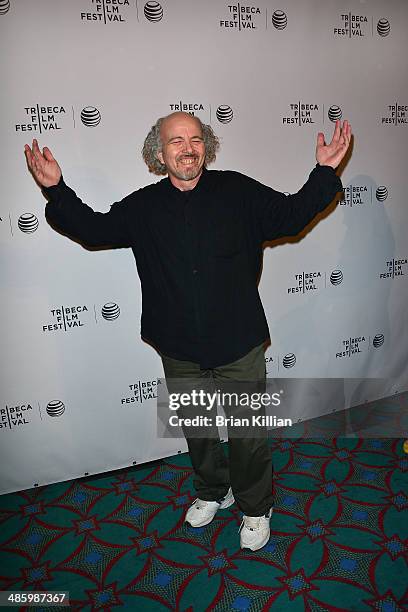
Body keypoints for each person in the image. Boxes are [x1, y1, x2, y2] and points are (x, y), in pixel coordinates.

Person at [24, 112, 352, 551]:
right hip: (177, 342)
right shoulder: (143, 206)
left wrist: (325, 171)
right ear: (159, 153)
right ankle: (213, 490)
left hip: (238, 339)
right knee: (197, 426)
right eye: (176, 141)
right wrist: (55, 189)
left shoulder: (238, 190)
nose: (187, 148)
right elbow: (94, 229)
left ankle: (256, 506)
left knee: (247, 432)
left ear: (206, 147)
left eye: (196, 139)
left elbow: (291, 216)